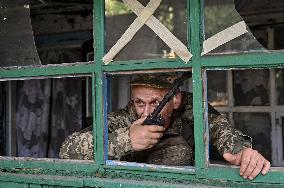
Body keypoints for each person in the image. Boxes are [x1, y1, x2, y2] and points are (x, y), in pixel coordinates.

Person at [59, 73, 270, 180]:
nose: (146, 112)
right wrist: (126, 140)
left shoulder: (189, 109)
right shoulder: (125, 117)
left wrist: (241, 152)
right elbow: (67, 150)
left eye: (155, 103)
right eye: (139, 102)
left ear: (175, 100)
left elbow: (219, 129)